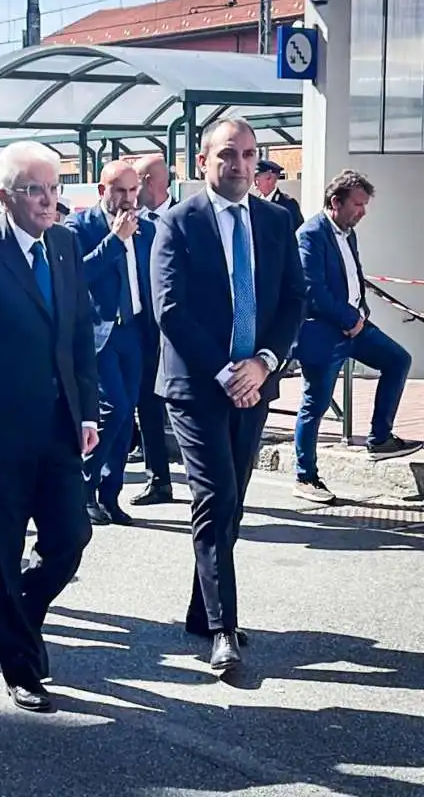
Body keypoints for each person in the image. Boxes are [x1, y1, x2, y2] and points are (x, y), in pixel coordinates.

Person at [0, 141, 98, 712]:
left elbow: (78, 334)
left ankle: (19, 614)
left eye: (55, 188)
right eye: (36, 190)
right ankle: (21, 670)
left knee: (70, 539)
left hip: (56, 426)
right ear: (6, 197)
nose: (49, 200)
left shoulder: (64, 244)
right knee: (3, 551)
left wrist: (87, 411)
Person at [151, 118, 305, 671]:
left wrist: (264, 363)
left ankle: (201, 607)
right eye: (226, 155)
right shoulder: (178, 223)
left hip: (256, 382)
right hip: (197, 386)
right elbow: (170, 309)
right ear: (203, 162)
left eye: (247, 154)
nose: (238, 165)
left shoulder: (275, 221)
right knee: (215, 497)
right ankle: (223, 628)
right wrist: (225, 371)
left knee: (231, 504)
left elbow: (293, 299)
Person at [293, 170, 421, 504]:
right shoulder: (310, 234)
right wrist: (350, 318)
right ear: (335, 202)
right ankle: (305, 476)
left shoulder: (347, 233)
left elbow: (354, 276)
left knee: (398, 360)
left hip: (355, 327)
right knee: (315, 404)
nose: (362, 211)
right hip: (323, 332)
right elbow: (312, 290)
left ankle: (379, 438)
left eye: (364, 204)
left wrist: (361, 312)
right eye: (358, 204)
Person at [66, 161, 155, 526]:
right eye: (120, 190)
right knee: (113, 409)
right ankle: (83, 486)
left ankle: (110, 494)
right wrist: (114, 240)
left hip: (134, 330)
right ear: (102, 191)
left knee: (127, 413)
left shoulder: (145, 229)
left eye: (134, 191)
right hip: (97, 333)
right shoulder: (79, 227)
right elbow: (78, 274)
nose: (128, 199)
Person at [126, 154, 177, 506]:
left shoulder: (186, 218)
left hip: (185, 331)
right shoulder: (136, 226)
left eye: (135, 183)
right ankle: (158, 478)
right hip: (147, 331)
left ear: (148, 180)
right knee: (148, 404)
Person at [254, 160, 304, 231]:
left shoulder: (287, 204)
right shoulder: (254, 204)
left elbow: (297, 232)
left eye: (257, 176)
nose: (254, 180)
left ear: (270, 178)